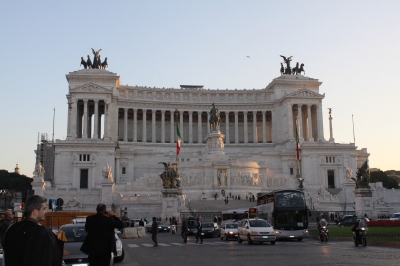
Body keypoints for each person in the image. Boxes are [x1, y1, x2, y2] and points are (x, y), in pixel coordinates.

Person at [4, 195, 63, 266]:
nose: (46, 212)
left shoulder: (12, 229)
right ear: (35, 211)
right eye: (44, 209)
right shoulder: (43, 233)